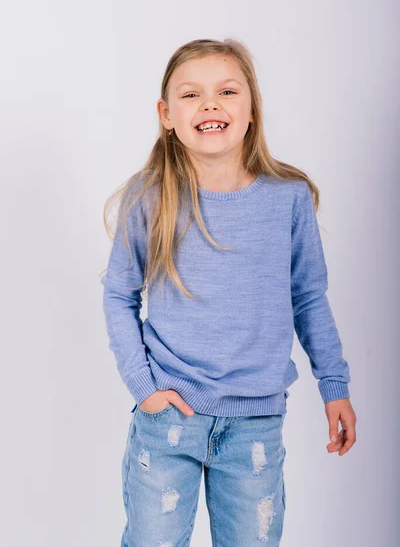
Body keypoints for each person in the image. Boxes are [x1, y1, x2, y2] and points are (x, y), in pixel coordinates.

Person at [100, 38, 357, 547]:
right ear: (166, 114)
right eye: (191, 94)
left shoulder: (288, 198)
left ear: (251, 110)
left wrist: (335, 385)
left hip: (255, 423)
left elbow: (309, 297)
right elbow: (119, 296)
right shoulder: (150, 197)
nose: (210, 104)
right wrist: (145, 390)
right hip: (170, 417)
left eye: (227, 91)